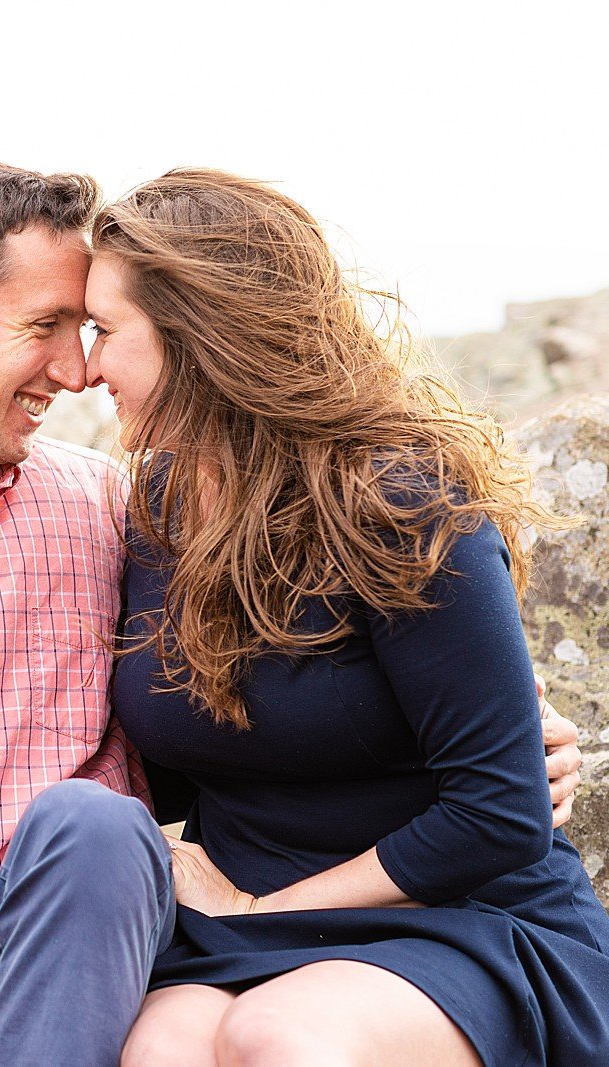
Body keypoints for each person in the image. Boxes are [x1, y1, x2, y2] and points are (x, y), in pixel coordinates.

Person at [0, 157, 582, 1067]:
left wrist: (503, 728)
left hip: (135, 941)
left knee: (159, 904)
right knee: (158, 1030)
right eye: (51, 326)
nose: (77, 368)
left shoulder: (114, 507)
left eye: (95, 328)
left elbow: (447, 760)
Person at [79, 169, 609, 1066]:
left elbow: (501, 810)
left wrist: (264, 912)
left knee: (282, 1033)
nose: (87, 364)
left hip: (456, 919)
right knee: (156, 1049)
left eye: (105, 330)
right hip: (240, 927)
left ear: (196, 331)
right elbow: (191, 744)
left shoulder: (401, 499)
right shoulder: (157, 505)